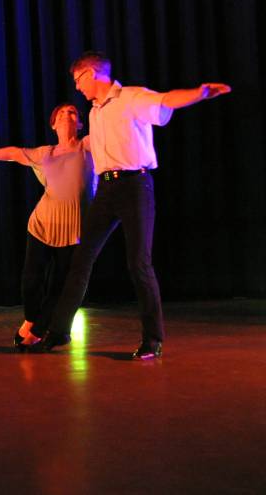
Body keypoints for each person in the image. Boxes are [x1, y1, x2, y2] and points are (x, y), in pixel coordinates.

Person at [32, 51, 231, 359]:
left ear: (92, 74)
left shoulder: (130, 97)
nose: (77, 87)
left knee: (138, 263)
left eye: (78, 80)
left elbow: (166, 100)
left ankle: (152, 340)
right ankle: (59, 332)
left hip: (135, 186)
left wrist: (200, 93)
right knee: (81, 260)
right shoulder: (95, 112)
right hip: (106, 189)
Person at [0, 103, 95, 349]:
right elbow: (15, 153)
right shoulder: (45, 153)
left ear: (80, 123)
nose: (67, 115)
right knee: (31, 279)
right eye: (61, 113)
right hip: (41, 224)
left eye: (73, 113)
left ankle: (36, 332)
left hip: (73, 229)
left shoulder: (87, 146)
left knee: (58, 285)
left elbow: (109, 131)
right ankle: (31, 320)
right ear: (53, 124)